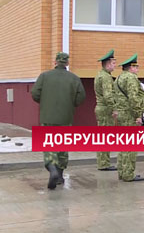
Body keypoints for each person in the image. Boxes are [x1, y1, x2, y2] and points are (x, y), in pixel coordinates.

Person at [32, 52, 86, 190]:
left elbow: (35, 93)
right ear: (67, 63)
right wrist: (71, 104)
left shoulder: (44, 76)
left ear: (55, 62)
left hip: (47, 116)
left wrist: (45, 102)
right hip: (66, 117)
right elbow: (81, 97)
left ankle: (52, 168)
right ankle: (60, 174)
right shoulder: (74, 78)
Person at [114, 54, 144, 182]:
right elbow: (134, 98)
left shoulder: (118, 78)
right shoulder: (131, 78)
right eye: (136, 66)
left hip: (121, 113)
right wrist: (138, 114)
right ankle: (129, 174)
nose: (138, 69)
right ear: (131, 67)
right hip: (129, 114)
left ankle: (122, 172)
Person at [94, 49, 117, 171]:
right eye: (113, 63)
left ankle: (103, 162)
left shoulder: (100, 75)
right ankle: (104, 164)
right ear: (107, 64)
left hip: (101, 108)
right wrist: (114, 108)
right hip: (105, 109)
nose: (115, 65)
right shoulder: (106, 77)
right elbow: (108, 95)